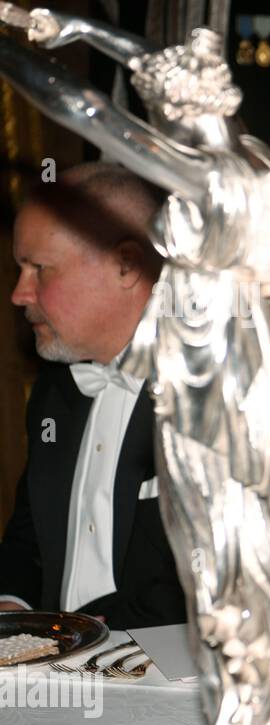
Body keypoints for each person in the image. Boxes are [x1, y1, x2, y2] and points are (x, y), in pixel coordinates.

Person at [0, 162, 186, 628]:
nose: (19, 295)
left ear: (127, 266)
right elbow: (29, 536)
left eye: (39, 270)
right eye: (19, 269)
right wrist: (13, 605)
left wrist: (85, 638)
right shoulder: (55, 388)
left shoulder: (208, 394)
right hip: (48, 682)